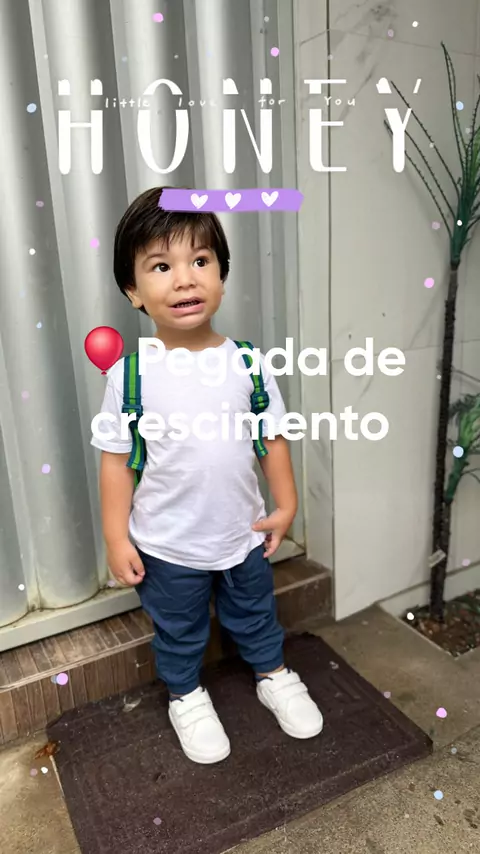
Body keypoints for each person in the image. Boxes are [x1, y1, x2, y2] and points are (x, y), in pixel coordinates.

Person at [90, 186, 323, 764]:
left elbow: (271, 438)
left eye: (200, 260)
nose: (185, 279)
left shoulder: (248, 363)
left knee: (256, 613)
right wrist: (117, 537)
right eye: (161, 267)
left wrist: (286, 506)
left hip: (242, 534)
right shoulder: (130, 375)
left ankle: (272, 672)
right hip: (167, 544)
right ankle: (186, 695)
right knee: (179, 628)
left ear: (222, 274)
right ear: (133, 291)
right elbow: (116, 459)